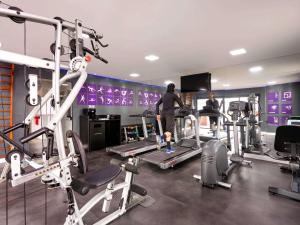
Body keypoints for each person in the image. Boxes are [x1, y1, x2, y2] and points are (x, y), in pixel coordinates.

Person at [156, 83, 184, 153]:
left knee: (167, 132)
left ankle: (168, 149)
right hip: (170, 115)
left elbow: (157, 104)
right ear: (173, 88)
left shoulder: (164, 95)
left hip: (163, 114)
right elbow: (181, 105)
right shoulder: (174, 95)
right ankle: (161, 139)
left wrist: (157, 114)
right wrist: (179, 97)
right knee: (169, 132)